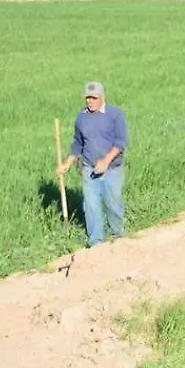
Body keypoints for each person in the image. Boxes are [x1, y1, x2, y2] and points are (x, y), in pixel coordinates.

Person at [56, 81, 128, 247]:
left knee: (113, 204)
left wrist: (106, 161)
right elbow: (77, 144)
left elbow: (121, 142)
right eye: (88, 98)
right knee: (90, 205)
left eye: (94, 98)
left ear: (103, 97)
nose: (90, 101)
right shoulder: (82, 118)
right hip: (88, 168)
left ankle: (117, 235)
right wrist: (67, 163)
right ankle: (96, 242)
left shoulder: (115, 115)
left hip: (112, 169)